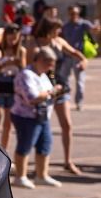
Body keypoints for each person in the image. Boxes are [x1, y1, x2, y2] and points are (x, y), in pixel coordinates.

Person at [30, 18, 87, 174]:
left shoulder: (59, 42)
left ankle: (68, 161)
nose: (59, 32)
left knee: (67, 125)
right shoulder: (35, 44)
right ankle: (39, 165)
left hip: (60, 87)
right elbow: (29, 65)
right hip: (43, 89)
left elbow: (75, 53)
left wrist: (83, 60)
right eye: (56, 29)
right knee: (40, 126)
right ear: (48, 29)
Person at [11, 47, 64, 189]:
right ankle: (20, 177)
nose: (51, 67)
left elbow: (45, 93)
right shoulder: (26, 74)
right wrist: (52, 92)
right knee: (25, 145)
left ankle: (42, 175)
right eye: (49, 63)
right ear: (40, 60)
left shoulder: (43, 74)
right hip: (26, 116)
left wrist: (53, 92)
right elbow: (32, 97)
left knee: (45, 145)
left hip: (42, 116)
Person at [0, 24, 24, 150]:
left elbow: (23, 70)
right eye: (10, 38)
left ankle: (3, 150)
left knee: (8, 122)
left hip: (13, 82)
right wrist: (5, 63)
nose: (12, 41)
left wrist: (18, 63)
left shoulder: (21, 51)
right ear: (5, 37)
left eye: (15, 38)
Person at [60, 4, 93, 110]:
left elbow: (93, 30)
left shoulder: (83, 24)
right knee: (65, 79)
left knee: (80, 81)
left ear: (78, 13)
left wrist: (96, 28)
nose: (73, 15)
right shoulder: (65, 26)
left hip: (78, 56)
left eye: (75, 13)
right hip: (66, 57)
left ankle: (79, 102)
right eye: (71, 13)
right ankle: (66, 99)